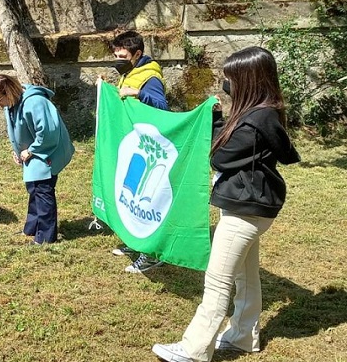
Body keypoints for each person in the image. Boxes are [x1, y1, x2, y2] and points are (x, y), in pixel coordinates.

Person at [152, 46, 301, 362]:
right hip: (250, 207)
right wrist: (220, 118)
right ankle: (242, 337)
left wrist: (213, 120)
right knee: (245, 277)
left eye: (229, 78)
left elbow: (221, 154)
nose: (225, 82)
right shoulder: (262, 112)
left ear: (249, 80)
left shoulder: (257, 119)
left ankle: (194, 350)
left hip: (245, 210)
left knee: (217, 282)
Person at [0, 74, 75, 245]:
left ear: (9, 93)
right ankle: (32, 227)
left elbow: (48, 132)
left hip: (47, 151)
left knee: (43, 190)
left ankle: (45, 237)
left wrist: (31, 150)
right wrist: (17, 150)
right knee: (34, 188)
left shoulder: (35, 102)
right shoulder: (12, 103)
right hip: (32, 152)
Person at [110, 30, 168, 273]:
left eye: (122, 55)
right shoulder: (131, 72)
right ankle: (135, 241)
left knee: (147, 199)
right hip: (134, 145)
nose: (118, 59)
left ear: (137, 54)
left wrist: (138, 93)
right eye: (115, 55)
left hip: (149, 148)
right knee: (130, 193)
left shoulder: (150, 78)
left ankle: (151, 253)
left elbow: (161, 106)